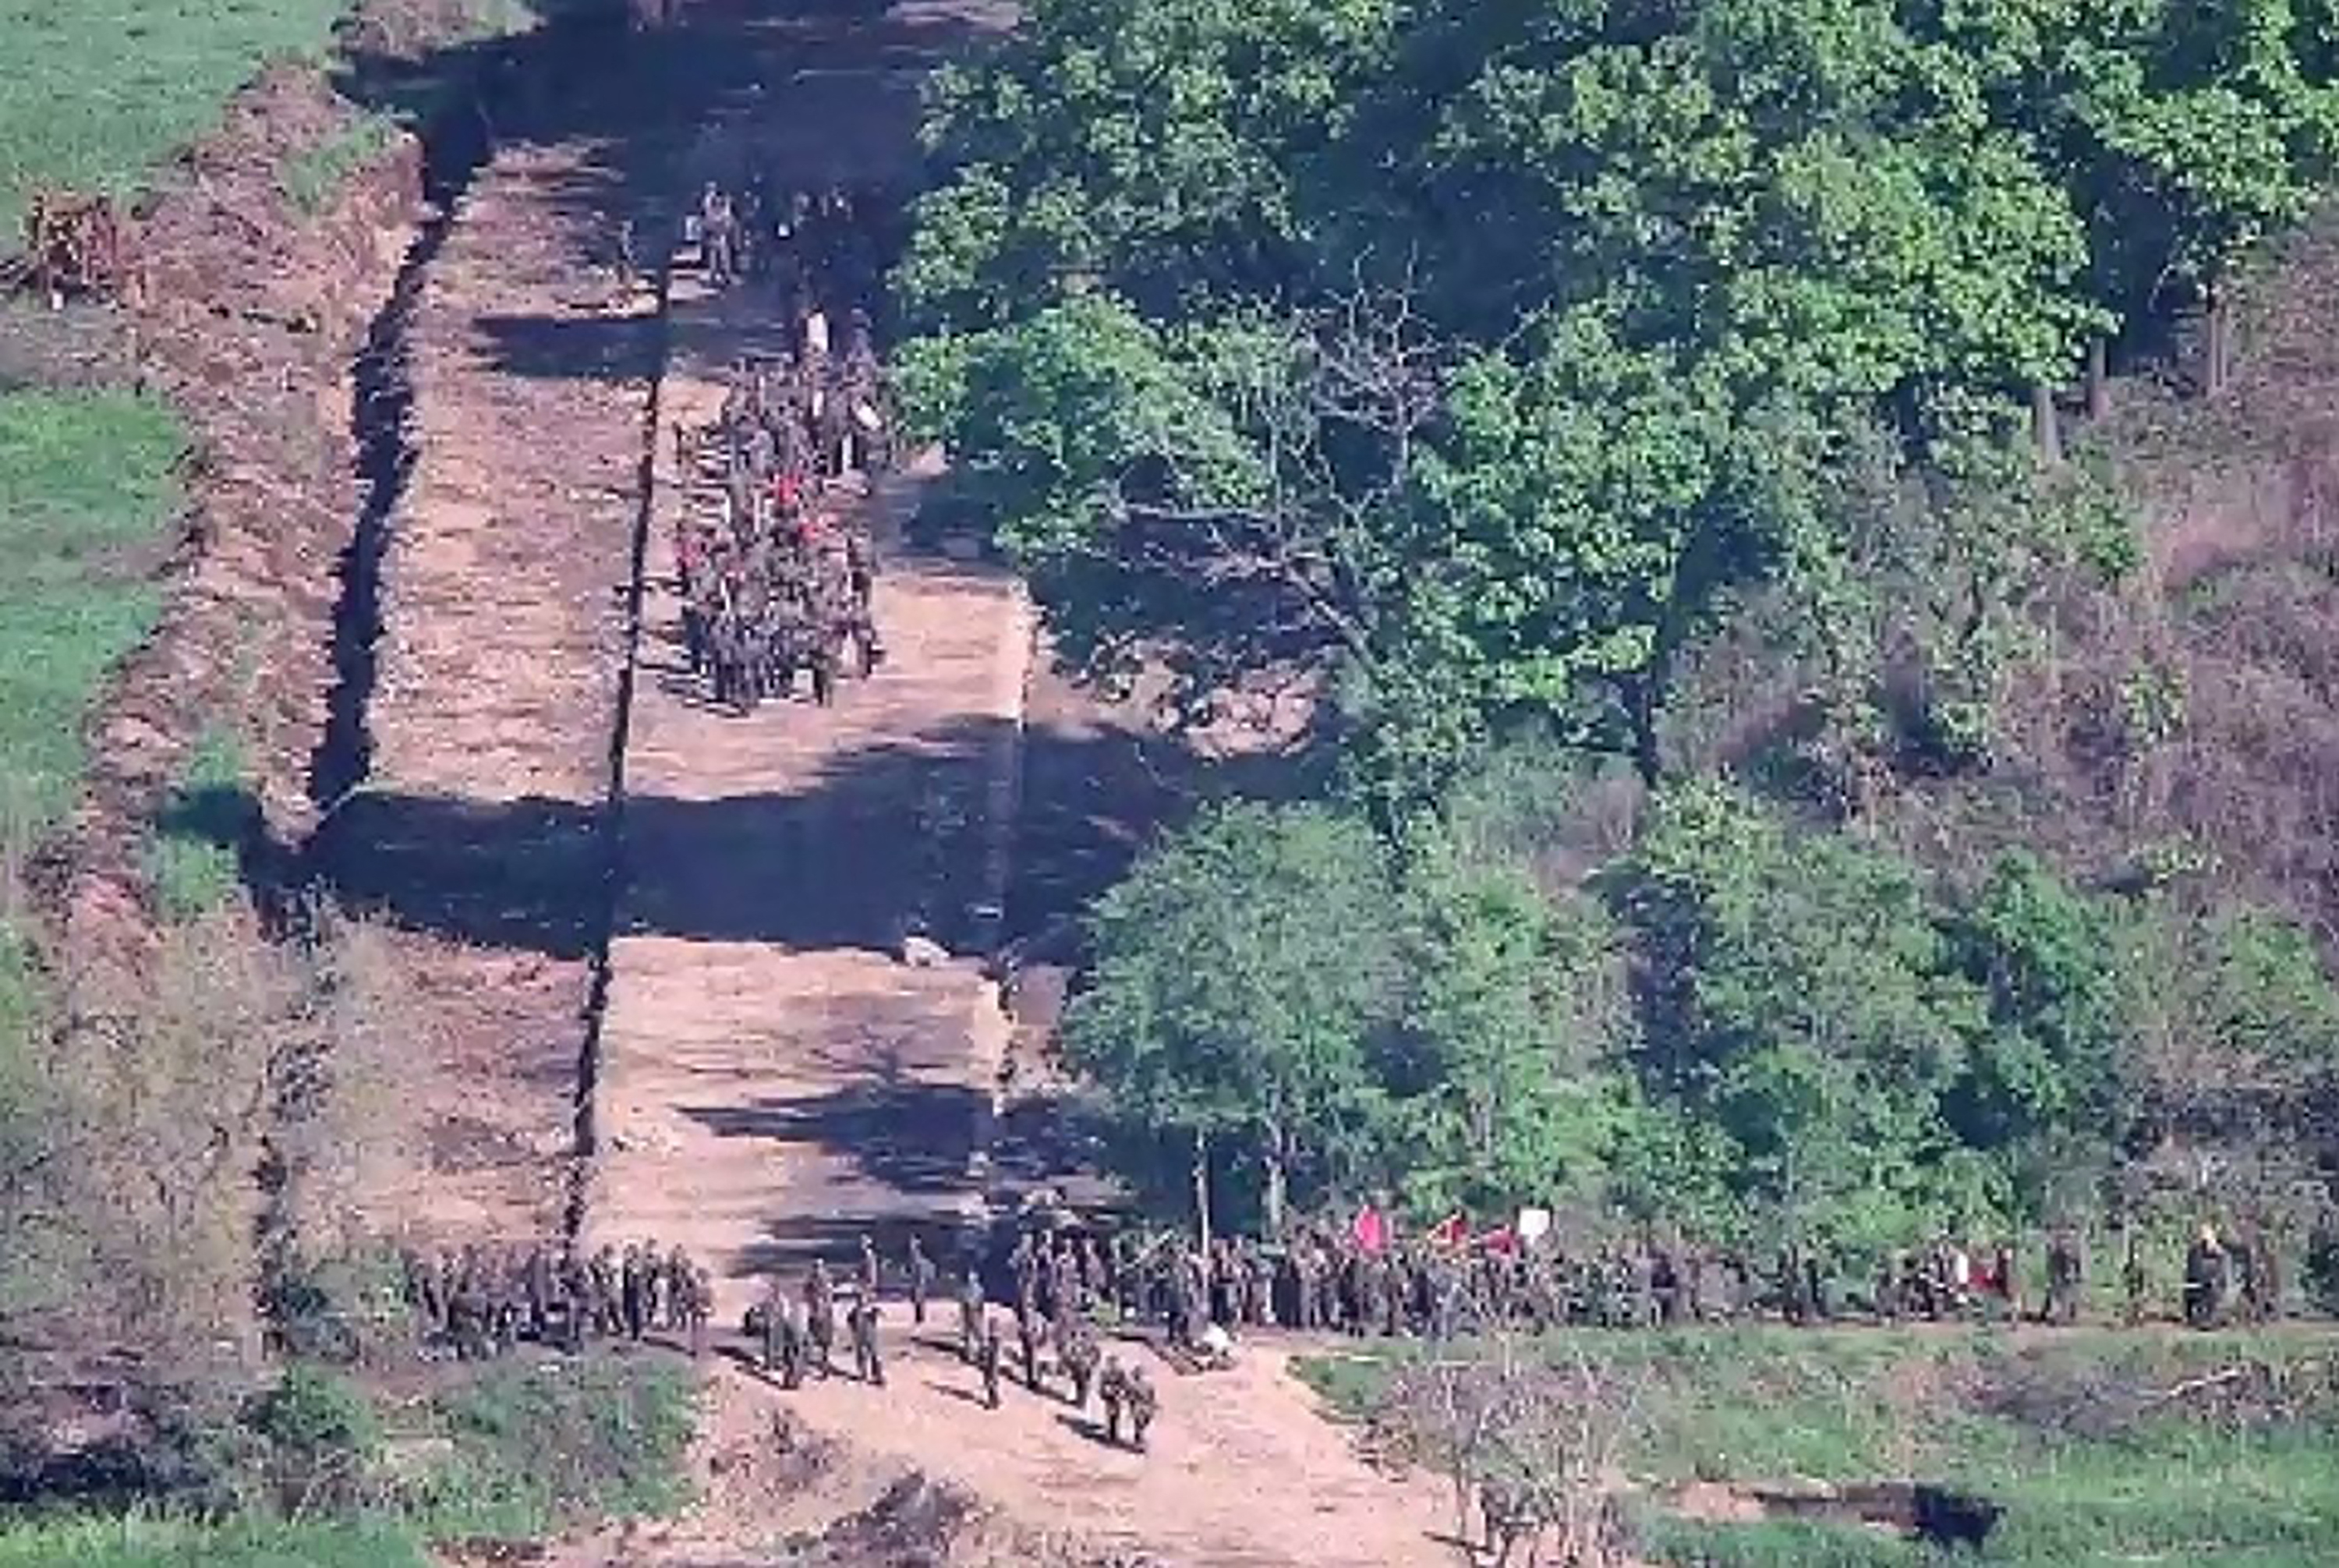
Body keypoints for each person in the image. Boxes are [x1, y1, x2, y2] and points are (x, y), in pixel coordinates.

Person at [978, 1318, 1003, 1410]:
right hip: (992, 1365)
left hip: (992, 1365)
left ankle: (993, 1402)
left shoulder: (994, 1341)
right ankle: (994, 1401)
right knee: (991, 1382)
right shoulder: (994, 1340)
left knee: (991, 1382)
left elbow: (992, 1355)